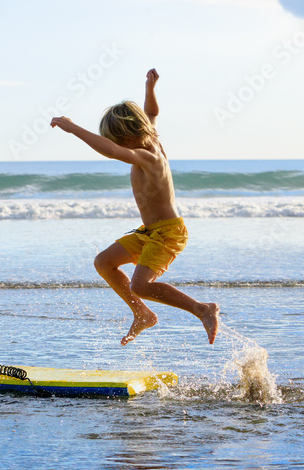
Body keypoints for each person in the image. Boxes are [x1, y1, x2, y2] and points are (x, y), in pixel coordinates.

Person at [50, 69, 220, 345]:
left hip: (168, 233)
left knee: (140, 285)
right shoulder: (148, 135)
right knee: (103, 262)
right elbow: (151, 113)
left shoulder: (149, 156)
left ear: (128, 137)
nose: (115, 146)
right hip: (150, 231)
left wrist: (74, 128)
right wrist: (150, 88)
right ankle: (142, 314)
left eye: (116, 140)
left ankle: (202, 309)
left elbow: (113, 152)